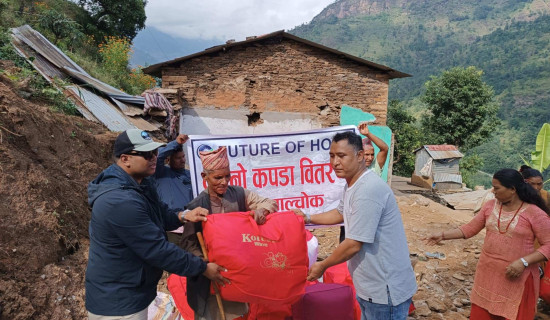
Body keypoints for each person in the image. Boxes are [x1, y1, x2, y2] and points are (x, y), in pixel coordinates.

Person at [85, 129, 229, 320]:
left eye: (154, 152)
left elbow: (160, 214)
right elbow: (158, 250)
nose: (154, 157)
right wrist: (203, 268)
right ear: (125, 159)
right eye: (146, 154)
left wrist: (184, 215)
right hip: (118, 302)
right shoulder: (119, 201)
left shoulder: (141, 184)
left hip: (134, 290)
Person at [294, 131, 417, 320]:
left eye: (342, 156)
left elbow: (353, 244)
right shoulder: (352, 185)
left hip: (385, 291)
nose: (335, 162)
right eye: (332, 156)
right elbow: (339, 213)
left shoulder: (368, 189)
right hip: (369, 286)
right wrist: (307, 217)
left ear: (360, 156)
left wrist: (322, 265)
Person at [424, 168, 550, 320]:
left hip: (517, 278)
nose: (493, 191)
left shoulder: (534, 213)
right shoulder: (490, 206)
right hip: (487, 276)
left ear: (512, 189)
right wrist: (442, 235)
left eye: (496, 188)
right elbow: (469, 229)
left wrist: (523, 262)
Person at [181, 146, 278, 320]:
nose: (224, 182)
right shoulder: (196, 206)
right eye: (218, 177)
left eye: (227, 176)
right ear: (205, 177)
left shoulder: (239, 194)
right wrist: (205, 267)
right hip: (209, 277)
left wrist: (261, 211)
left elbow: (268, 203)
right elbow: (189, 244)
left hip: (237, 275)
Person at [340, 123, 389, 242]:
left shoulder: (375, 167)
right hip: (353, 212)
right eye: (367, 154)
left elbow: (384, 148)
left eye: (372, 154)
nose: (370, 158)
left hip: (370, 212)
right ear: (359, 154)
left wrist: (368, 134)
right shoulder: (352, 170)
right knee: (347, 240)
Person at [154, 134, 193, 241]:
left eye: (183, 156)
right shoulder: (160, 173)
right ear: (168, 160)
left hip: (191, 227)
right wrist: (176, 143)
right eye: (178, 158)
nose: (183, 160)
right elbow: (158, 156)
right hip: (172, 229)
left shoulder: (191, 174)